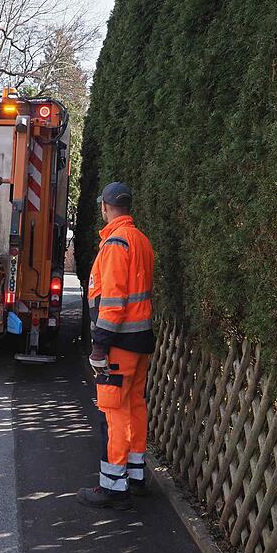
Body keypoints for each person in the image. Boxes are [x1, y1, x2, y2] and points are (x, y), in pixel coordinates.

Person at [78, 182, 155, 510]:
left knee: (113, 412)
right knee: (135, 405)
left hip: (119, 343)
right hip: (140, 341)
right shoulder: (142, 241)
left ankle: (113, 487)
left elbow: (112, 303)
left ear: (105, 207)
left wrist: (99, 347)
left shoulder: (114, 244)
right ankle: (136, 476)